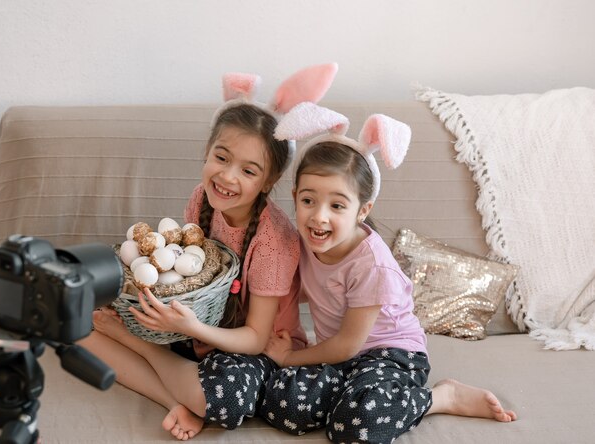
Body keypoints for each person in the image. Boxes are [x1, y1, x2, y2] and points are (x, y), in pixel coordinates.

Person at [78, 63, 338, 441]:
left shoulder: (273, 240)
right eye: (221, 157)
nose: (228, 177)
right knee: (81, 330)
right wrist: (169, 316)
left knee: (221, 398)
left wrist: (183, 329)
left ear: (270, 181)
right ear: (206, 152)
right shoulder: (200, 200)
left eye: (249, 171)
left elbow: (254, 337)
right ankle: (174, 400)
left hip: (255, 349)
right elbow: (185, 275)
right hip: (198, 328)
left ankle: (146, 355)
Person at [260, 103, 517, 443]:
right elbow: (311, 290)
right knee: (283, 404)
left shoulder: (372, 265)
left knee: (356, 426)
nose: (319, 217)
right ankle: (352, 396)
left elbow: (348, 344)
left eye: (337, 205)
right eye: (309, 201)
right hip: (341, 359)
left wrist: (292, 357)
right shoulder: (307, 241)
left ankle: (440, 398)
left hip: (392, 355)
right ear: (295, 198)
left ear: (362, 210)